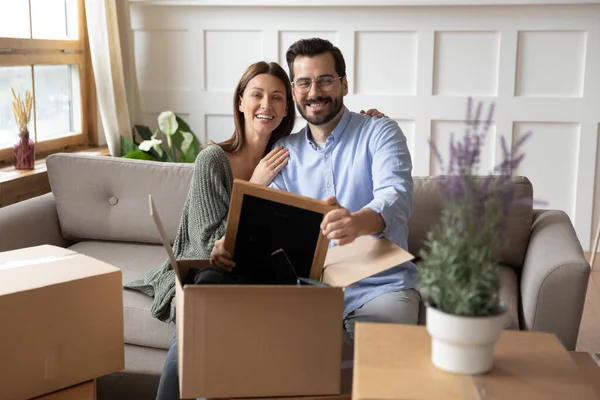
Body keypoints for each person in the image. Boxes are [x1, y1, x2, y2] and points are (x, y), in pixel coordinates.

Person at [212, 38, 420, 340]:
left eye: (325, 81)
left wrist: (355, 223)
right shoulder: (283, 151)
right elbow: (268, 225)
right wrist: (227, 244)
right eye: (304, 83)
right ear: (294, 90)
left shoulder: (380, 132)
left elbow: (396, 197)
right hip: (309, 294)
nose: (314, 92)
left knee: (376, 377)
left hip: (381, 288)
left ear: (344, 84)